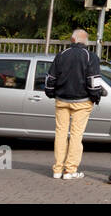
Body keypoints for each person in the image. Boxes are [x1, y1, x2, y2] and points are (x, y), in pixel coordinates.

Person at [44, 29, 103, 180]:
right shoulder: (91, 56)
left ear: (72, 39)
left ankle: (57, 169)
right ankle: (70, 170)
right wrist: (95, 97)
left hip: (62, 100)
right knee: (76, 136)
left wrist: (51, 93)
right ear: (86, 41)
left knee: (60, 134)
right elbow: (94, 81)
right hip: (82, 102)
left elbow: (51, 78)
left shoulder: (61, 55)